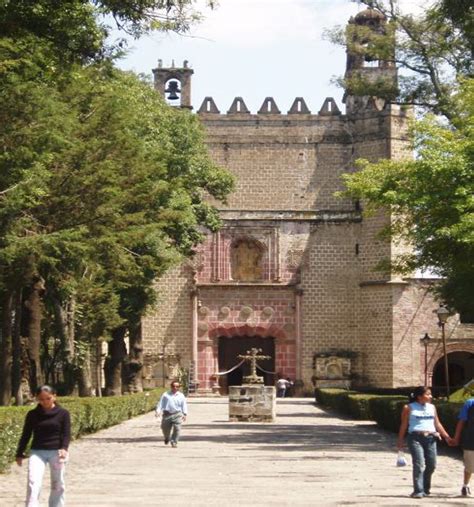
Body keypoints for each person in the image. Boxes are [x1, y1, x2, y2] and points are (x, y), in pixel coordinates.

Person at [16, 385, 71, 507]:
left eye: (48, 398)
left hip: (56, 452)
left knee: (57, 484)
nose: (45, 402)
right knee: (33, 482)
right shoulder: (32, 414)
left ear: (54, 396)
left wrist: (64, 448)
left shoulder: (63, 413)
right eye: (41, 399)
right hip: (37, 452)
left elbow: (66, 434)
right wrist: (19, 452)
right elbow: (26, 434)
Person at [397, 386, 452, 499]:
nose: (431, 396)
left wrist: (447, 437)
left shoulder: (432, 407)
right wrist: (400, 441)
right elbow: (403, 425)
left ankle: (425, 488)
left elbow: (437, 424)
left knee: (432, 465)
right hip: (415, 438)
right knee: (419, 464)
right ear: (419, 397)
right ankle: (418, 490)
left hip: (431, 438)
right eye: (428, 394)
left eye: (430, 394)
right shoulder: (408, 408)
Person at [452, 397, 474, 496]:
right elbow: (461, 421)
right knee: (470, 466)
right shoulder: (470, 403)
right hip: (471, 440)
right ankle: (466, 485)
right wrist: (456, 438)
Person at [155, 380, 187, 448]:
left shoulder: (181, 395)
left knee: (177, 429)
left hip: (177, 414)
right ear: (171, 386)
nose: (175, 388)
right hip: (167, 415)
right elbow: (160, 404)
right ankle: (167, 437)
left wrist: (185, 414)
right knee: (164, 429)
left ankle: (174, 442)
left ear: (179, 387)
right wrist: (158, 411)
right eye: (173, 386)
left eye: (177, 386)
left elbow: (184, 405)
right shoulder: (166, 394)